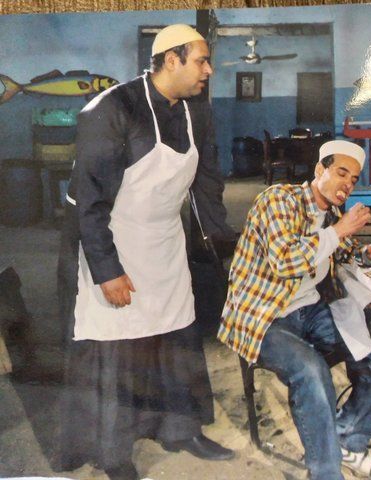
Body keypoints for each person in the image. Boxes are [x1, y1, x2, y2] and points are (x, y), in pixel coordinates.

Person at [56, 24, 236, 480]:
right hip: (110, 237)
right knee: (118, 350)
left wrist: (223, 247)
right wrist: (106, 270)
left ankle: (182, 429)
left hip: (164, 243)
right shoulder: (111, 110)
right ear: (172, 60)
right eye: (202, 61)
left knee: (177, 338)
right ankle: (114, 454)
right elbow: (88, 201)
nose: (209, 71)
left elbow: (207, 184)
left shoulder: (197, 111)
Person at [218, 140, 371, 479]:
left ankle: (348, 439)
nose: (347, 185)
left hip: (312, 311)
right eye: (341, 173)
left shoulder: (331, 215)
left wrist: (370, 253)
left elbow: (344, 251)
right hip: (264, 316)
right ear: (320, 170)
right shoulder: (278, 199)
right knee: (311, 370)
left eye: (353, 179)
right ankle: (325, 472)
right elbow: (285, 261)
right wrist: (339, 230)